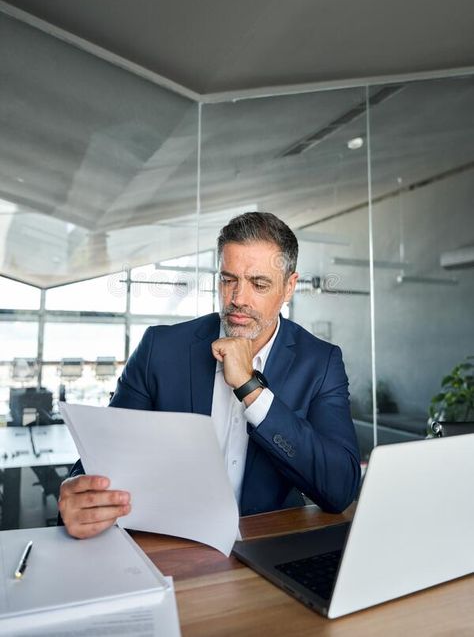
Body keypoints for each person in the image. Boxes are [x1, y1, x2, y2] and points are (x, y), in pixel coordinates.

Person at [59, 212, 360, 539]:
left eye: (258, 284)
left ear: (289, 287)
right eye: (228, 279)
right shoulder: (160, 348)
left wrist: (252, 390)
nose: (237, 299)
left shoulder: (320, 362)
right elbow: (105, 456)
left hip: (266, 546)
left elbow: (339, 489)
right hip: (168, 543)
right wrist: (79, 496)